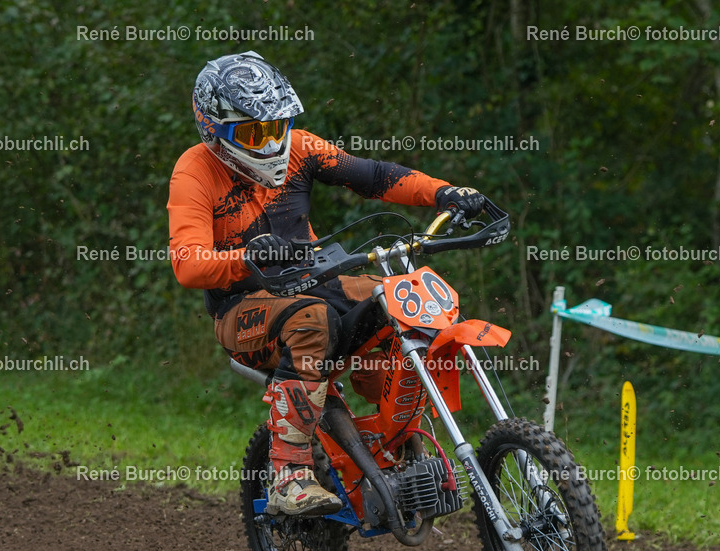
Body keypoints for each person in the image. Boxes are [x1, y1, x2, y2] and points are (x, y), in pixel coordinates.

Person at [167, 51, 485, 515]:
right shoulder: (195, 171)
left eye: (276, 128)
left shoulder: (299, 149)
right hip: (242, 311)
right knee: (312, 320)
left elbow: (373, 176)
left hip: (312, 281)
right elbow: (188, 264)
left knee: (403, 296)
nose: (270, 143)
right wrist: (246, 256)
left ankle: (397, 436)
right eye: (253, 133)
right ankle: (288, 477)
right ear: (214, 128)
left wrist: (444, 192)